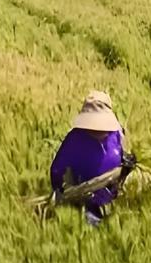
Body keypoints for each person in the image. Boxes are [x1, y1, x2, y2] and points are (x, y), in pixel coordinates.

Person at [50, 91, 135, 226]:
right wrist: (61, 192)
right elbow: (58, 168)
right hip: (86, 201)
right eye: (94, 126)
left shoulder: (117, 133)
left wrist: (128, 162)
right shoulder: (75, 139)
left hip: (114, 198)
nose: (99, 130)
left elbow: (122, 151)